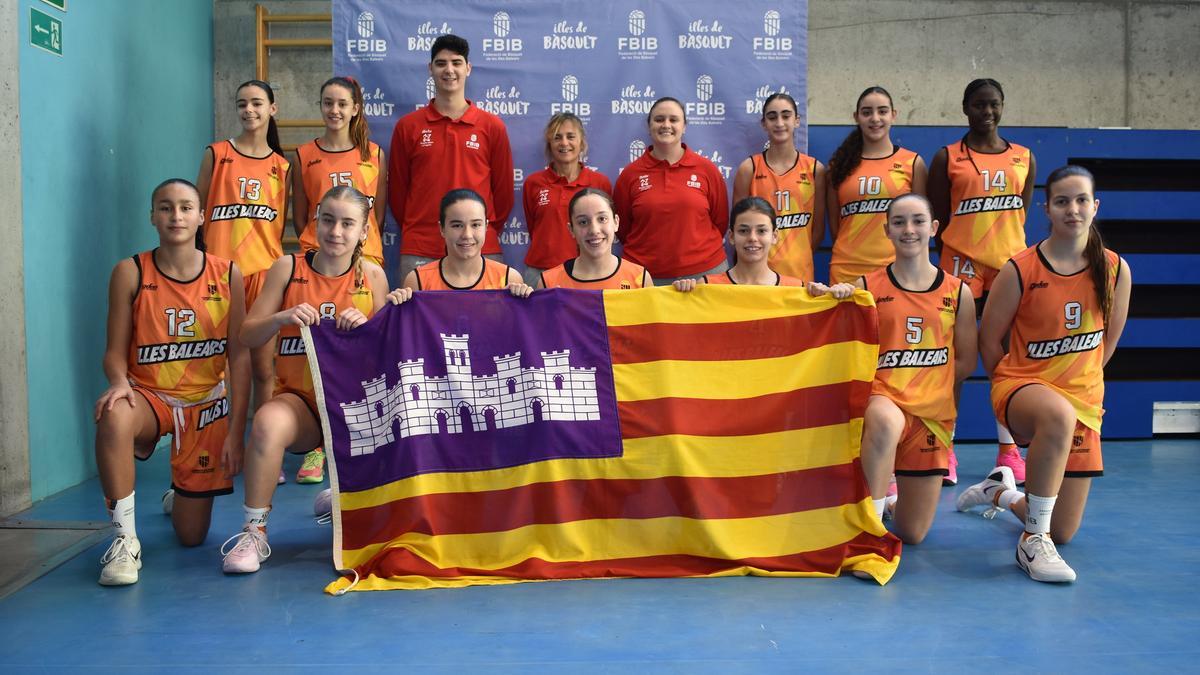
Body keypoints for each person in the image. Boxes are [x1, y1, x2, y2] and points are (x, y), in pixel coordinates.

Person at [220, 186, 410, 574]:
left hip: (358, 408)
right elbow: (247, 335)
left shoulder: (372, 275)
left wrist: (368, 328)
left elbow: (390, 356)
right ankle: (254, 531)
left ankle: (341, 495)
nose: (336, 231)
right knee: (269, 423)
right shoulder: (288, 269)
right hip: (303, 402)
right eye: (328, 220)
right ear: (315, 222)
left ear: (363, 231)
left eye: (347, 223)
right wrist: (280, 317)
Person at [957, 166, 1131, 583]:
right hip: (1022, 387)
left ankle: (1000, 491)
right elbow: (989, 340)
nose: (1073, 209)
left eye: (1081, 200)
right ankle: (1030, 544)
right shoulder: (1021, 269)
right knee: (1055, 415)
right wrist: (1011, 387)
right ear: (1046, 209)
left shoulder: (1114, 270)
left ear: (1095, 206)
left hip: (1082, 402)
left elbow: (1106, 345)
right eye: (1062, 201)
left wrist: (1078, 384)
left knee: (1063, 529)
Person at [94, 179, 250, 586]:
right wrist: (117, 381)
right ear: (152, 217)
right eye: (165, 207)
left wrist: (236, 432)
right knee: (113, 414)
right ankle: (125, 541)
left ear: (201, 217)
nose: (176, 216)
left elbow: (239, 356)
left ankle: (179, 493)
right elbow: (114, 351)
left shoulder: (229, 274)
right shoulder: (130, 271)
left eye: (185, 208)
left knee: (191, 538)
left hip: (205, 403)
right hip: (149, 395)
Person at [928, 78, 1038, 484]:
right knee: (954, 362)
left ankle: (1009, 453)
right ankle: (943, 448)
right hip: (960, 267)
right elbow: (939, 217)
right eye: (978, 105)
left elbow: (1019, 214)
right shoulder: (947, 158)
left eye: (993, 104)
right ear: (965, 108)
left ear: (1003, 106)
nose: (986, 112)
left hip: (1009, 268)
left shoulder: (1024, 157)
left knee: (1006, 362)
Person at [855, 194, 977, 543]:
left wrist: (926, 389)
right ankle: (869, 534)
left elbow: (966, 361)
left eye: (918, 221)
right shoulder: (866, 288)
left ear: (934, 228)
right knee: (885, 418)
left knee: (913, 534)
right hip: (883, 400)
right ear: (887, 231)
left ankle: (889, 504)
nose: (909, 230)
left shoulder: (959, 292)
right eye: (899, 223)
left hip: (931, 416)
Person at [291, 75, 388, 485]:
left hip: (364, 261)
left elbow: (377, 214)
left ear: (354, 109)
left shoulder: (374, 153)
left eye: (342, 104)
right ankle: (315, 447)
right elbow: (300, 215)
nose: (334, 110)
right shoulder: (304, 154)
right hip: (318, 263)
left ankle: (362, 445)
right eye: (327, 103)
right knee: (318, 346)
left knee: (362, 352)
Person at [195, 80, 291, 477]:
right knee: (219, 369)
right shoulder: (217, 154)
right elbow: (197, 215)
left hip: (263, 277)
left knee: (264, 369)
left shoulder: (282, 166)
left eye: (257, 103)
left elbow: (280, 224)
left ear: (273, 108)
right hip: (220, 275)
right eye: (242, 104)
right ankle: (217, 446)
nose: (249, 110)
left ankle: (262, 451)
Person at [389, 34, 514, 283]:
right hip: (420, 248)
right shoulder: (408, 126)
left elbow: (503, 195)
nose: (449, 70)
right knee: (417, 323)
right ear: (430, 69)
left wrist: (479, 232)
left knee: (488, 323)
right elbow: (398, 193)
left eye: (456, 62)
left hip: (480, 249)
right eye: (441, 63)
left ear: (468, 68)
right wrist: (422, 229)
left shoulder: (492, 126)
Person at [613, 97, 729, 285]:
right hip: (645, 276)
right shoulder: (630, 175)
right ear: (649, 125)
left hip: (705, 272)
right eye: (659, 119)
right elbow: (623, 228)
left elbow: (720, 221)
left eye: (673, 120)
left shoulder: (706, 169)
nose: (666, 125)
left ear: (684, 126)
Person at [826, 86, 926, 285]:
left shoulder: (913, 163)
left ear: (893, 115)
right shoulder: (838, 166)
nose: (875, 118)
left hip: (896, 268)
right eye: (867, 112)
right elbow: (836, 226)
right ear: (856, 117)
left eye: (882, 111)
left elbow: (920, 223)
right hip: (847, 270)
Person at [731, 92, 826, 283]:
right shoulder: (749, 168)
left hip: (800, 274)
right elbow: (738, 226)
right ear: (764, 123)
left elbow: (817, 231)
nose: (779, 123)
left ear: (797, 121)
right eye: (772, 117)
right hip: (757, 276)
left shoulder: (815, 169)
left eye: (786, 115)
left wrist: (798, 256)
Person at [672, 197, 849, 295]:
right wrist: (682, 294)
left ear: (774, 236)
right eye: (743, 231)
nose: (752, 238)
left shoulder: (798, 290)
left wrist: (834, 296)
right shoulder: (705, 287)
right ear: (732, 237)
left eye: (761, 231)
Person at [522, 113, 612, 286]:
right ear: (550, 144)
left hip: (585, 273)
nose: (564, 143)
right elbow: (534, 227)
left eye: (571, 136)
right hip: (540, 272)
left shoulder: (600, 182)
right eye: (557, 137)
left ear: (581, 142)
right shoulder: (534, 183)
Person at [403, 189, 533, 295]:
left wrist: (525, 301)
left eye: (475, 225)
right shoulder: (418, 281)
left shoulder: (508, 279)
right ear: (442, 229)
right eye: (457, 225)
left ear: (486, 226)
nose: (467, 235)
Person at [538, 188, 651, 290]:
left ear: (616, 222)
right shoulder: (549, 283)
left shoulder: (639, 278)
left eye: (602, 219)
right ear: (571, 229)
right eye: (583, 222)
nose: (594, 230)